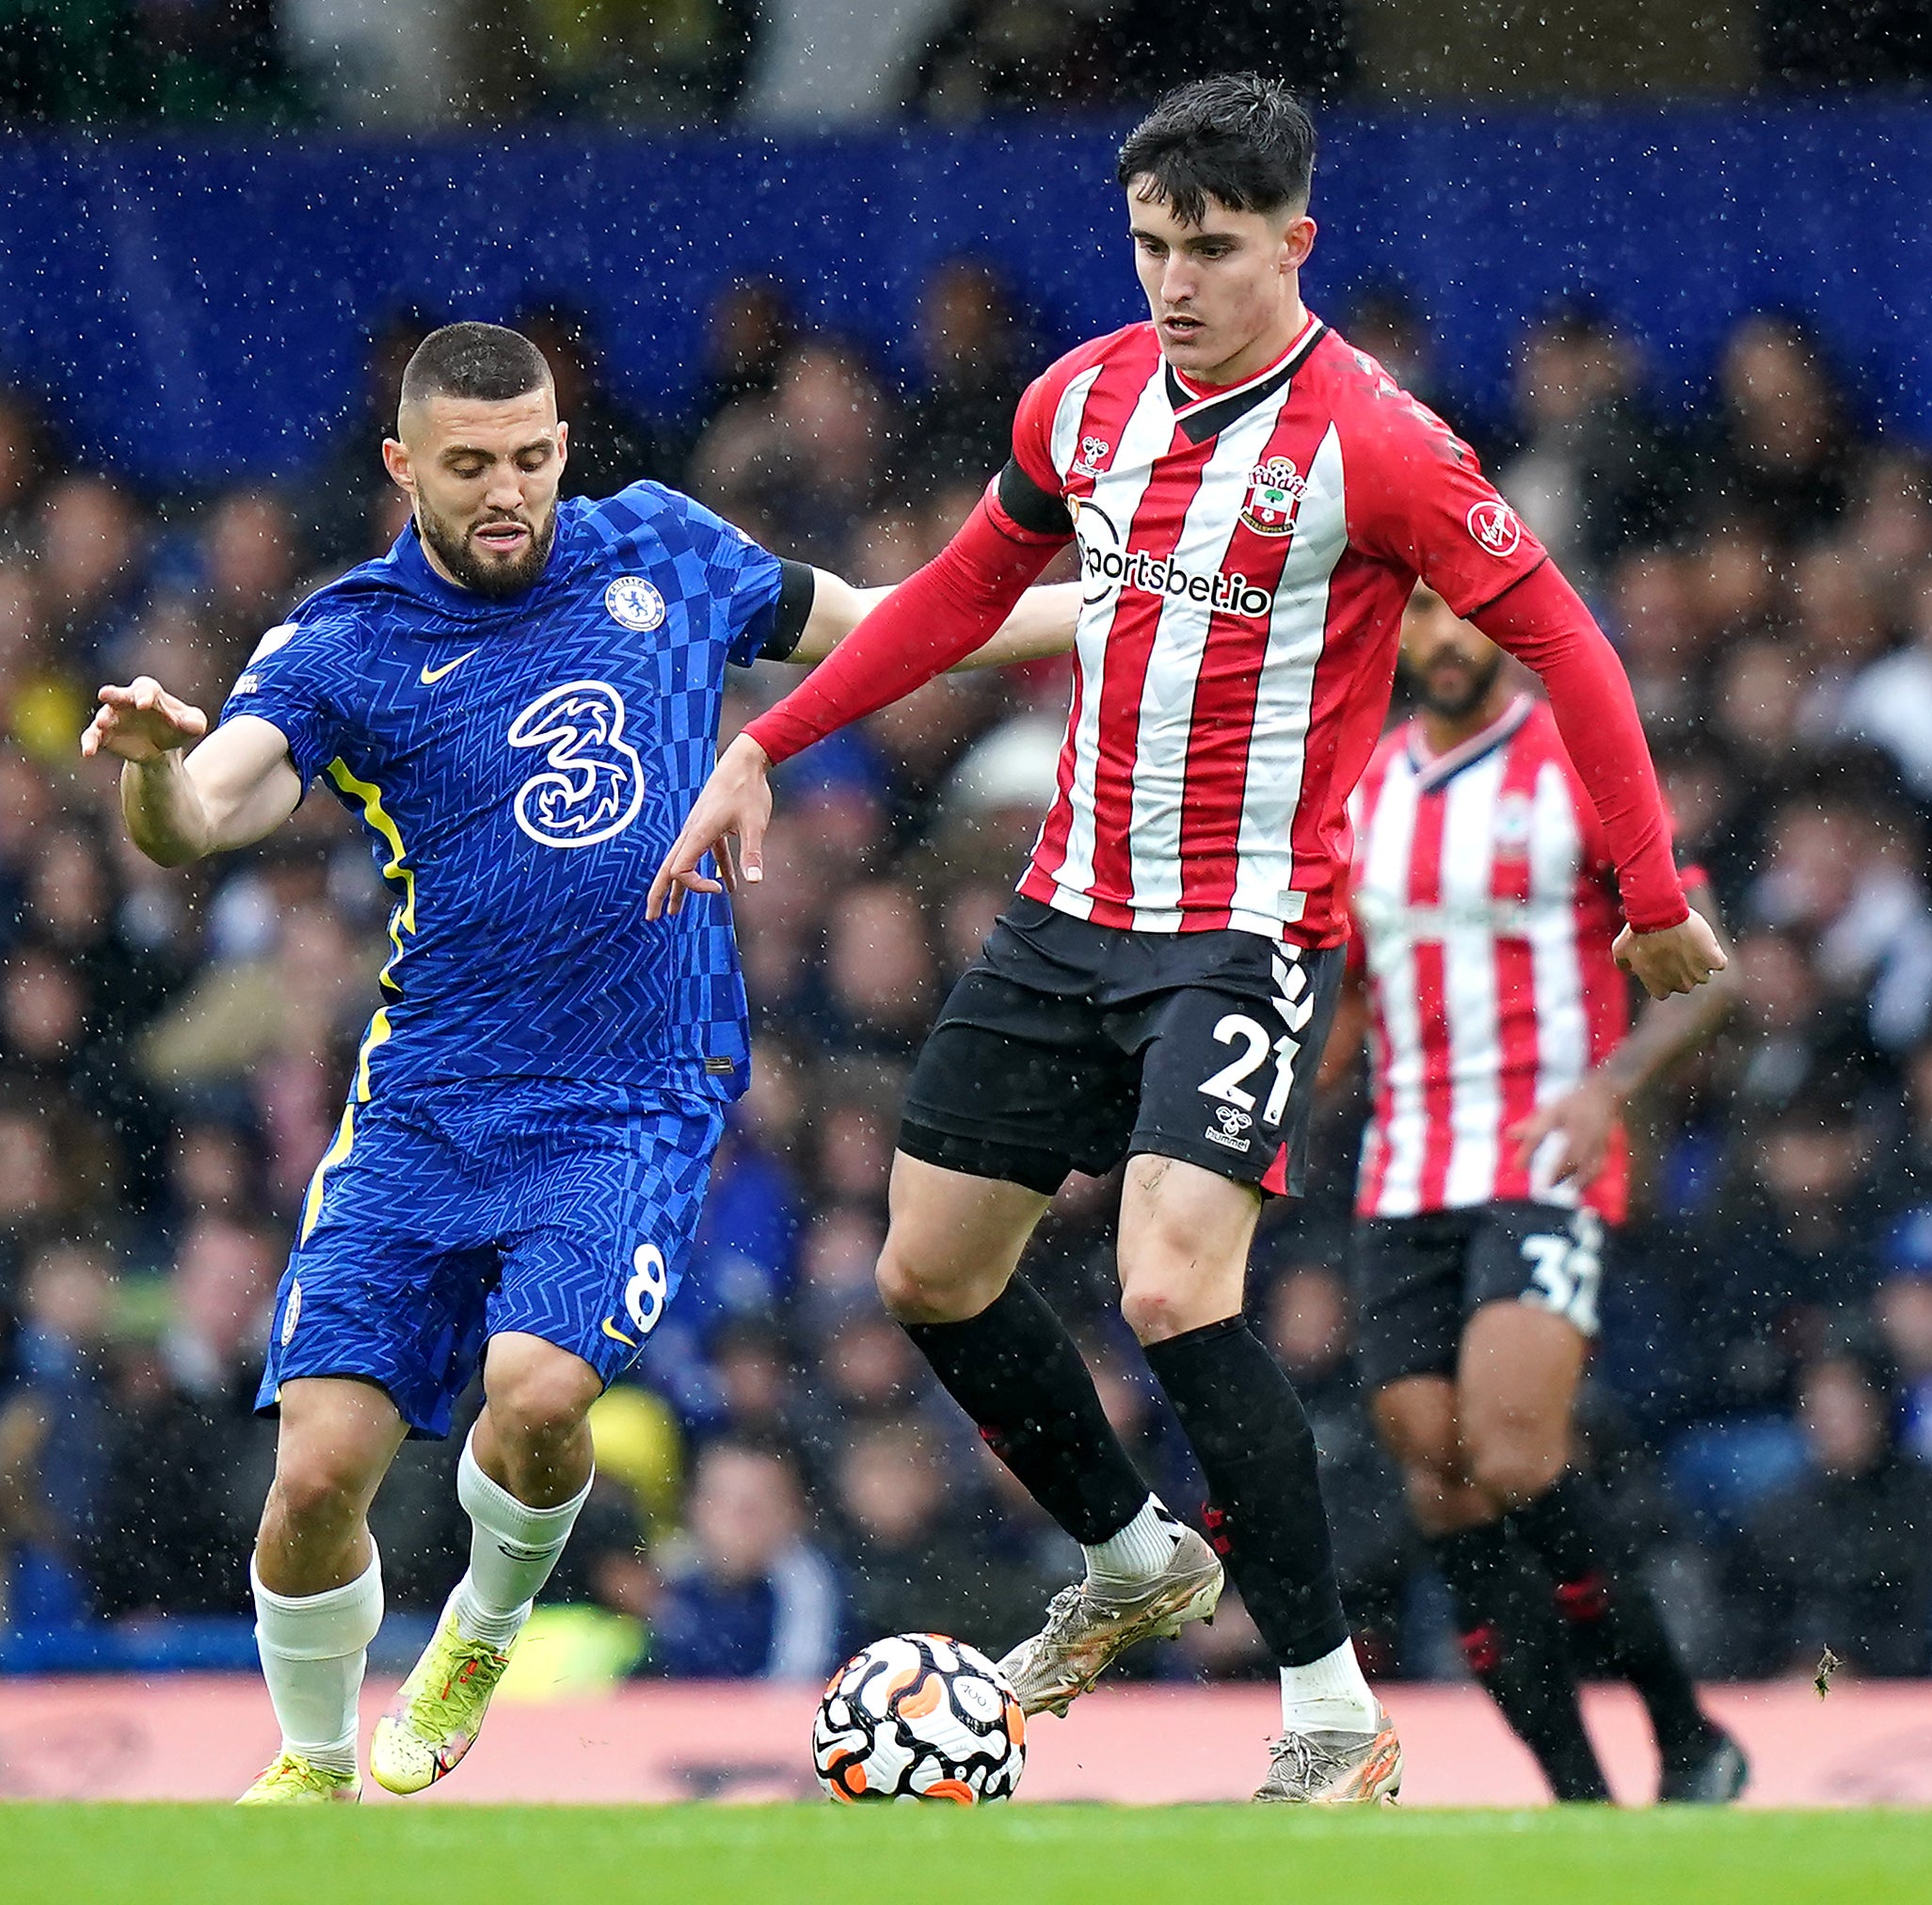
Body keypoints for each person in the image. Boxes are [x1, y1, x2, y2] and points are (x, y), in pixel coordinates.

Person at [650, 73, 1726, 1803]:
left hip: (1243, 933)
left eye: (1211, 250)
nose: (1173, 280)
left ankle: (1331, 1715)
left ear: (1295, 243)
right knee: (924, 1272)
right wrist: (766, 739)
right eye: (1151, 243)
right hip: (1067, 910)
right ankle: (1138, 1557)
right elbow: (958, 597)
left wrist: (1655, 895)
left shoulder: (1381, 445)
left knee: (1167, 1284)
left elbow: (1576, 647)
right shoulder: (1079, 399)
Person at [80, 322, 1078, 1804]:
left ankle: (484, 1625)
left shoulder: (661, 552)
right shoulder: (347, 639)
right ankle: (313, 1771)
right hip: (426, 1103)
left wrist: (1117, 606)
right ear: (401, 464)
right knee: (314, 1478)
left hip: (630, 1097)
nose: (508, 492)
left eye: (532, 458)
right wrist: (159, 768)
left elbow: (881, 618)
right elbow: (206, 813)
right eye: (470, 465)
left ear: (563, 447)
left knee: (539, 1394)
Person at [1331, 582, 1747, 1802]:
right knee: (1435, 1472)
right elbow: (1350, 999)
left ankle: (1685, 1734)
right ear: (1389, 632)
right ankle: (1578, 1800)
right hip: (1402, 1172)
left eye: (1464, 616)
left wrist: (1606, 1088)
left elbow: (1710, 964)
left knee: (1514, 1454)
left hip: (1537, 1162)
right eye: (1418, 617)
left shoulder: (1573, 756)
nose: (1446, 640)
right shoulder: (1360, 790)